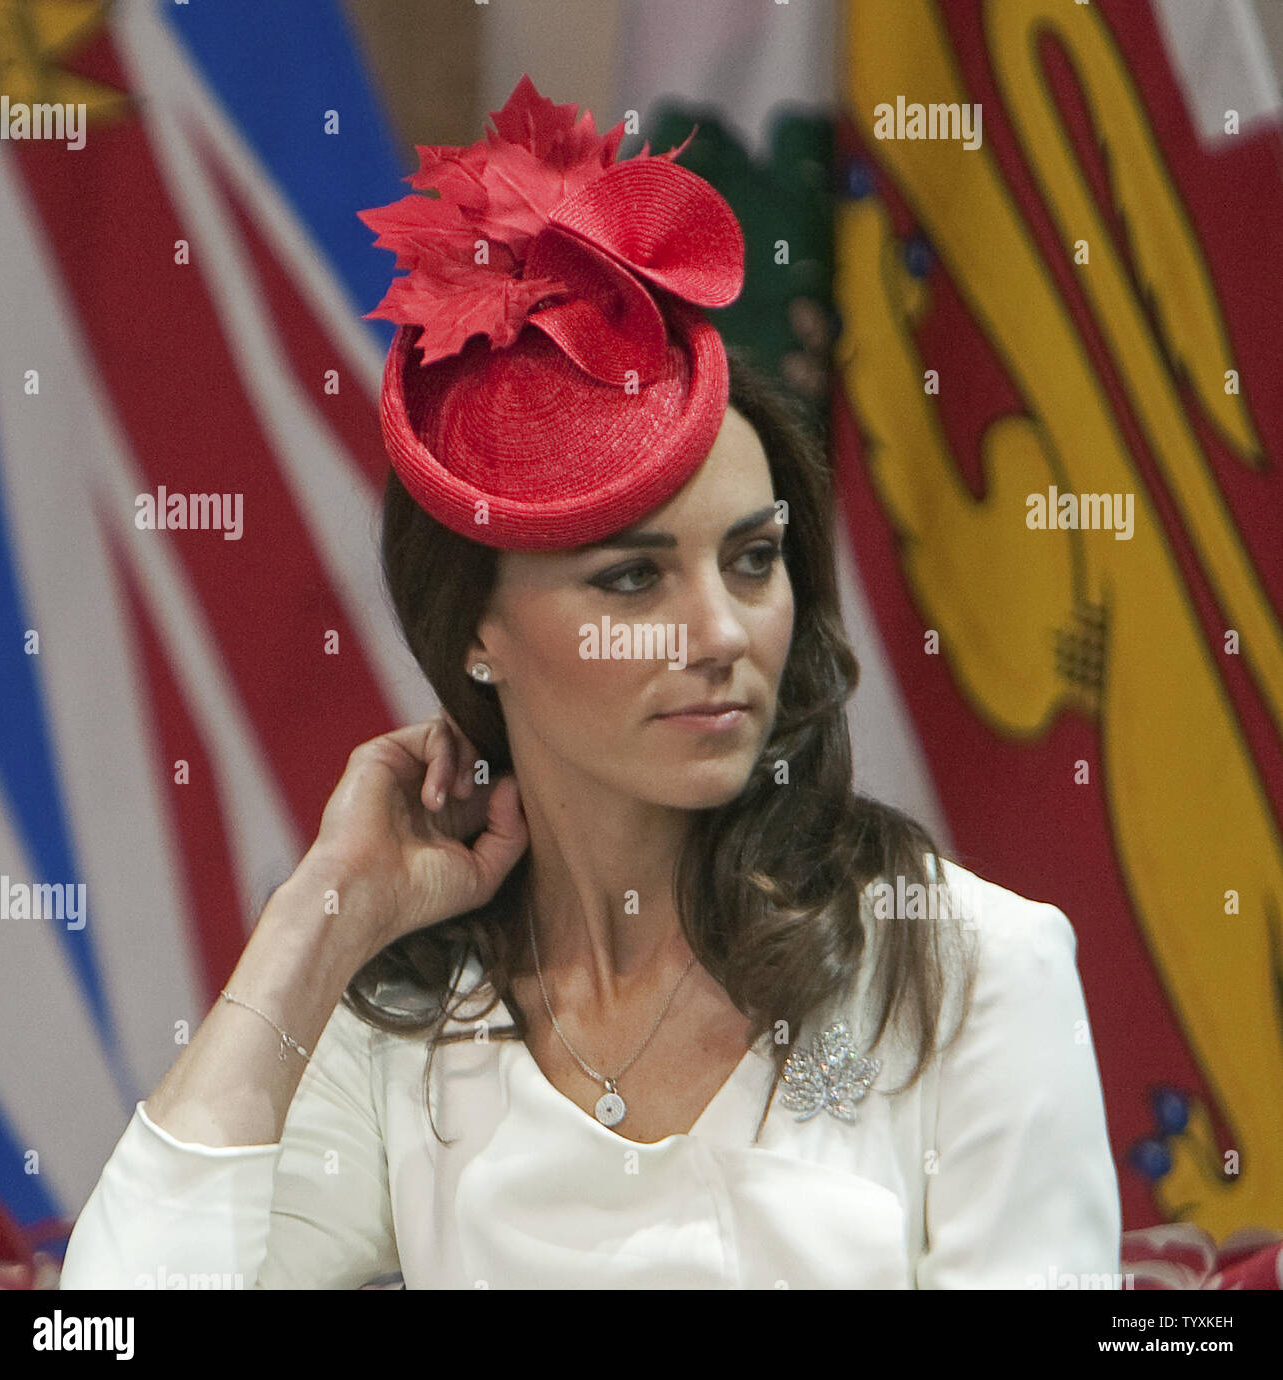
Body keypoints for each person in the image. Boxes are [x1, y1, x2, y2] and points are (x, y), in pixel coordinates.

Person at [59, 75, 1121, 1290]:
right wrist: (316, 924)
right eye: (631, 582)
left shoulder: (967, 967)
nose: (721, 630)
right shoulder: (412, 1017)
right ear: (476, 634)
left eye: (754, 560)